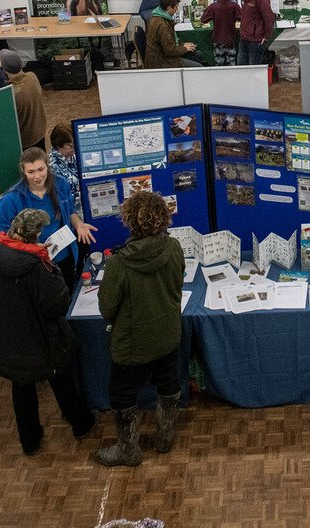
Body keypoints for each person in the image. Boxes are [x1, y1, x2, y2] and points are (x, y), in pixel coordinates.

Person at [0, 208, 95, 455]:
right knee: (60, 378)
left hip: (3, 339)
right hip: (40, 340)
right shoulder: (39, 266)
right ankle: (81, 424)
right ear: (36, 234)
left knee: (21, 387)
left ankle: (30, 441)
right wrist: (52, 269)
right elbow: (57, 305)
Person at [95, 191, 185, 466]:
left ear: (130, 221)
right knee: (168, 385)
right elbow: (177, 283)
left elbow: (107, 308)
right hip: (167, 335)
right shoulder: (174, 248)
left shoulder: (119, 263)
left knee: (122, 395)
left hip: (132, 344)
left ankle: (129, 450)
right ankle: (165, 439)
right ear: (163, 217)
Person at [0, 147, 96, 291]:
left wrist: (78, 224)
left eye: (41, 169)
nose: (37, 176)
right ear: (23, 171)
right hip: (32, 263)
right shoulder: (11, 199)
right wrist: (30, 247)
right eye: (31, 172)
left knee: (67, 295)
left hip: (64, 256)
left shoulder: (61, 184)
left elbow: (71, 211)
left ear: (48, 166)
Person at [0, 49, 48, 151]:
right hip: (40, 132)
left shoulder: (10, 93)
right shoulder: (32, 77)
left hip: (25, 141)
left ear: (4, 70)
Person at [144, 0, 202, 68]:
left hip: (160, 55)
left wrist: (182, 45)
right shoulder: (162, 26)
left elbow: (169, 43)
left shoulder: (156, 15)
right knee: (198, 66)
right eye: (176, 7)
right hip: (160, 61)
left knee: (197, 54)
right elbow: (170, 51)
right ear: (169, 8)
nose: (177, 9)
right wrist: (184, 48)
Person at [199, 0, 242, 66]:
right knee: (231, 62)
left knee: (219, 63)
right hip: (230, 38)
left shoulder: (213, 6)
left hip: (218, 39)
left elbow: (203, 20)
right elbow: (242, 18)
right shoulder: (234, 6)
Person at [238, 0, 275, 66]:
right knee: (241, 66)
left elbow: (269, 18)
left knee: (253, 69)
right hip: (244, 37)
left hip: (256, 40)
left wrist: (267, 36)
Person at [47, 122, 83, 216]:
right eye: (70, 146)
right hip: (70, 212)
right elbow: (61, 197)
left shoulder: (72, 155)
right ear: (58, 146)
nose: (75, 148)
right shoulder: (53, 167)